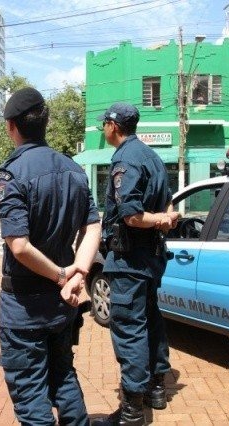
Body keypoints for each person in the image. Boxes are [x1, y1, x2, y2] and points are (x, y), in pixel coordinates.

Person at [0, 87, 102, 425]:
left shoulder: (12, 172)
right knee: (63, 377)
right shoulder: (74, 169)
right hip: (62, 304)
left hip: (25, 305)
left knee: (30, 394)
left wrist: (60, 275)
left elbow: (20, 246)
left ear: (12, 126)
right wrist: (78, 275)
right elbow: (93, 227)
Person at [96, 103, 180, 426]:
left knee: (130, 327)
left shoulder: (125, 158)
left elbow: (130, 214)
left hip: (129, 259)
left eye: (105, 123)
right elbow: (169, 199)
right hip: (150, 258)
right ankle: (156, 388)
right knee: (151, 319)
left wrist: (159, 219)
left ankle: (132, 410)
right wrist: (166, 218)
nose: (103, 128)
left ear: (114, 126)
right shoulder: (152, 156)